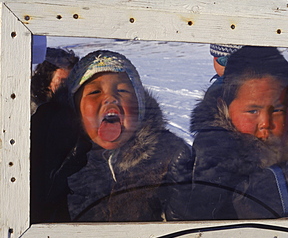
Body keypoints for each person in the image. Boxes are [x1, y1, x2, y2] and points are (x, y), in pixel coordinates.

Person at [31, 50, 191, 222]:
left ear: (140, 108)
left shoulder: (166, 157)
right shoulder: (57, 156)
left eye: (122, 90)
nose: (111, 98)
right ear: (76, 110)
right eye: (94, 92)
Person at [184, 46, 288, 220]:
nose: (266, 123)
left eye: (278, 110)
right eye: (253, 111)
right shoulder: (214, 154)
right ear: (224, 106)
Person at [31, 47, 79, 114]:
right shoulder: (30, 108)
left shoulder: (74, 107)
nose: (69, 86)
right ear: (47, 81)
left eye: (73, 81)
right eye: (63, 82)